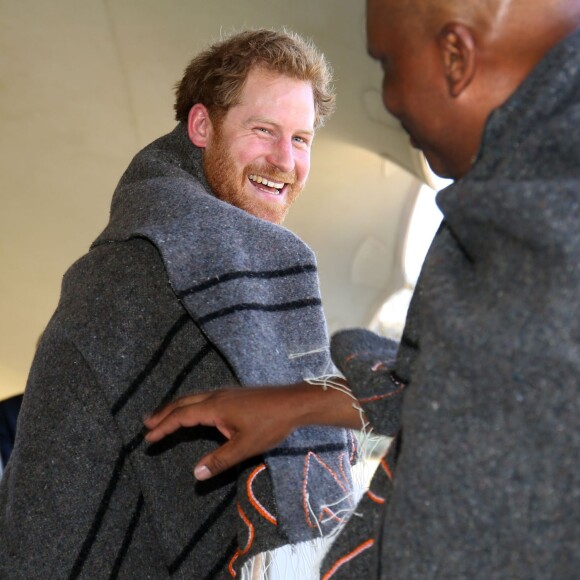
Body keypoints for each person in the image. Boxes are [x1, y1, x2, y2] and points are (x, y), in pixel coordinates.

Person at [145, 0, 580, 577]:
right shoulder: (521, 211)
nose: (390, 100)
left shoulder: (544, 235)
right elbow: (473, 380)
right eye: (263, 131)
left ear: (455, 56)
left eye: (388, 63)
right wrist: (305, 402)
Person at [0, 29, 359, 579]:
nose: (285, 160)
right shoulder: (172, 266)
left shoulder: (140, 247)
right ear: (201, 126)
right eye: (263, 130)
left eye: (302, 139)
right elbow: (277, 536)